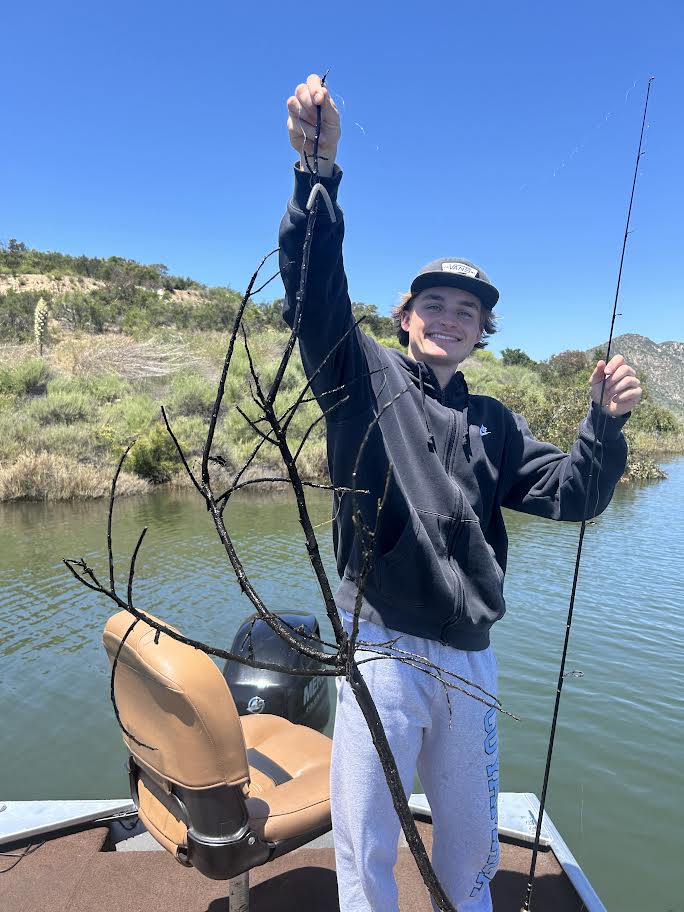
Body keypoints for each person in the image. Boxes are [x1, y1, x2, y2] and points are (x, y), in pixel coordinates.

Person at [279, 74, 642, 912]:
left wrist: (604, 424)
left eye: (468, 312)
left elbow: (574, 495)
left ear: (483, 333)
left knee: (472, 845)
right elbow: (312, 293)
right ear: (405, 317)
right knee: (365, 842)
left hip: (471, 657)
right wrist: (317, 175)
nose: (450, 317)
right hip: (380, 649)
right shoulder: (359, 375)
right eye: (433, 304)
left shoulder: (497, 421)